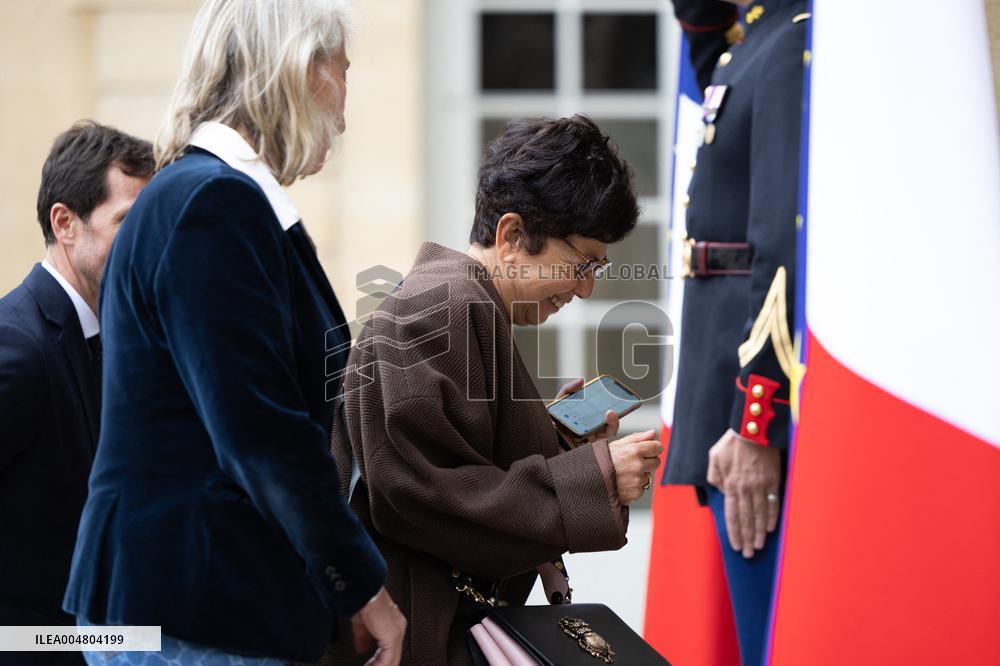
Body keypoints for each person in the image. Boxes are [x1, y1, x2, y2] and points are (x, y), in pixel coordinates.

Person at [61, 1, 405, 664]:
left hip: (189, 605)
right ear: (301, 71)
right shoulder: (212, 204)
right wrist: (364, 589)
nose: (344, 110)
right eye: (343, 72)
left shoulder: (210, 197)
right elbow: (261, 430)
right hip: (190, 612)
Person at [325, 115, 663, 665]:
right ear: (510, 235)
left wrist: (564, 444)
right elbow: (418, 492)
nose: (586, 288)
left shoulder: (461, 303)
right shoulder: (440, 309)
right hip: (416, 637)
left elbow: (457, 462)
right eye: (580, 262)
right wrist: (594, 477)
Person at [662, 1, 808, 664]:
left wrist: (757, 422)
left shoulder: (792, 41)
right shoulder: (746, 39)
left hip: (749, 411)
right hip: (717, 385)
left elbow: (781, 245)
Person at [0, 122, 152, 666]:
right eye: (128, 224)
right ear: (65, 223)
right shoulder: (17, 345)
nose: (146, 247)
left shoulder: (115, 334)